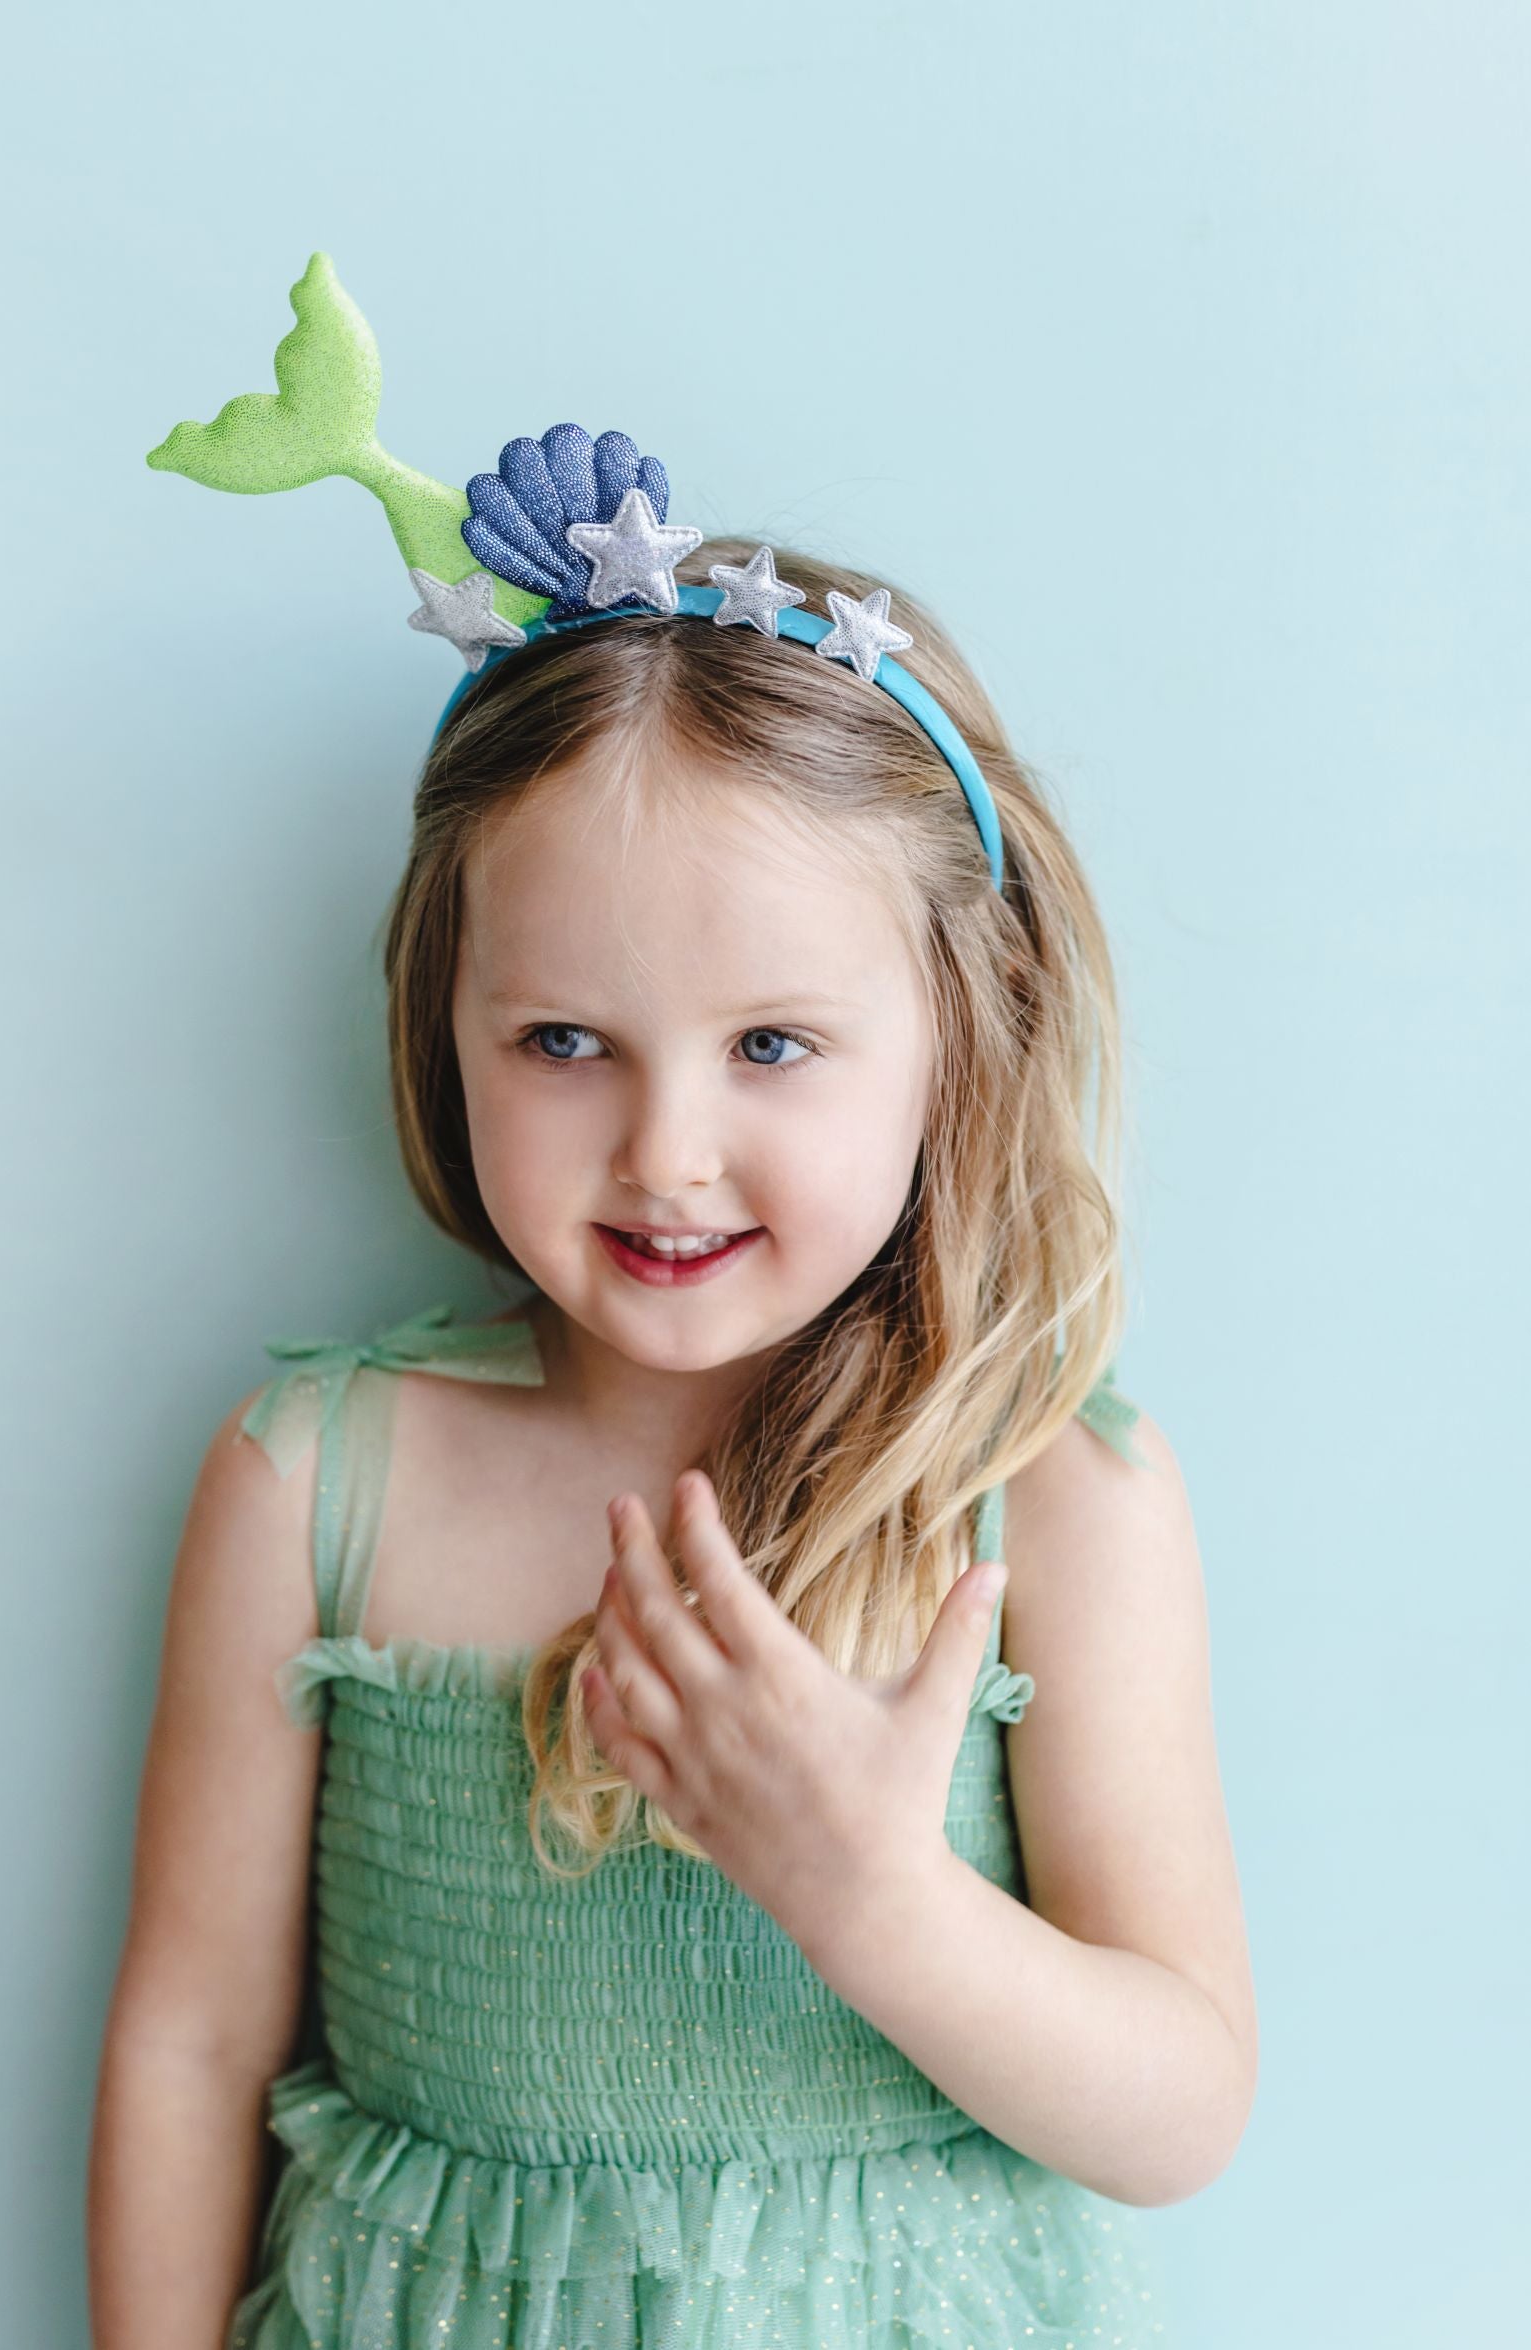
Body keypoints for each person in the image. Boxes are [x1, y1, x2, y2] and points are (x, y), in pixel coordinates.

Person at [88, 255, 1257, 2350]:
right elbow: (188, 2043)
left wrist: (864, 1890)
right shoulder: (319, 1478)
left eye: (774, 1047)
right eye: (561, 1041)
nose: (663, 1151)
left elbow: (1172, 2104)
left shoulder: (1046, 1502)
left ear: (951, 1039)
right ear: (439, 1019)